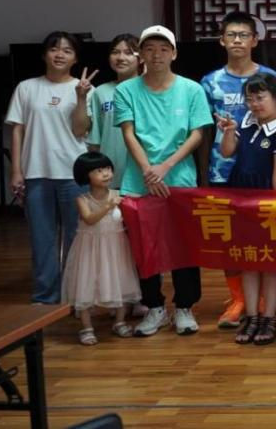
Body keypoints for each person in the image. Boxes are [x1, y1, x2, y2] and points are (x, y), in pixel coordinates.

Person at [114, 25, 210, 337]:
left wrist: (165, 166)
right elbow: (128, 132)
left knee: (183, 245)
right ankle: (154, 307)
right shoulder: (126, 90)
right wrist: (148, 170)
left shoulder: (191, 89)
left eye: (163, 49)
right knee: (145, 247)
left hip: (179, 179)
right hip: (138, 181)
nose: (157, 55)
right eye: (150, 49)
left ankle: (184, 307)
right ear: (140, 54)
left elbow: (197, 133)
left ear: (174, 53)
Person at [199, 11, 276, 330]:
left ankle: (262, 296)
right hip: (223, 170)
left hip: (261, 171)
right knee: (230, 240)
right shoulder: (209, 81)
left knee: (263, 237)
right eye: (231, 35)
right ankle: (239, 299)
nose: (237, 40)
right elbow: (204, 130)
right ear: (221, 40)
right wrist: (204, 174)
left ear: (254, 40)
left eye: (243, 35)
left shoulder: (270, 76)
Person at [6, 31, 89, 304]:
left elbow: (82, 131)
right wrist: (16, 170)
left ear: (75, 58)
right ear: (44, 55)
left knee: (77, 238)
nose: (60, 54)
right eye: (54, 49)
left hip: (74, 174)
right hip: (36, 173)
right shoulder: (27, 88)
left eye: (67, 50)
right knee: (42, 239)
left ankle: (75, 294)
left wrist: (81, 97)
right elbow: (17, 130)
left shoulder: (85, 88)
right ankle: (45, 295)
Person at [217, 73, 276, 346]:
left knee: (271, 264)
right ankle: (251, 316)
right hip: (241, 201)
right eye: (250, 99)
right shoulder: (247, 122)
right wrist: (229, 131)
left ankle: (268, 318)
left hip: (268, 204)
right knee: (248, 260)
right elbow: (227, 152)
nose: (254, 104)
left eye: (260, 98)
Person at [62, 151, 141, 345]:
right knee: (86, 283)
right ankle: (86, 327)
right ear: (86, 175)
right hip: (89, 249)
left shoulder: (118, 195)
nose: (106, 173)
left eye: (107, 168)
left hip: (116, 247)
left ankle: (119, 321)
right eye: (99, 170)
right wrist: (108, 206)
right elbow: (89, 219)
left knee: (120, 280)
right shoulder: (82, 199)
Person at [75, 34, 142, 192]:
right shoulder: (101, 92)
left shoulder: (150, 89)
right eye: (115, 52)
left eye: (128, 53)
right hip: (111, 175)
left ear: (142, 58)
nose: (121, 57)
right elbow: (95, 141)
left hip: (144, 174)